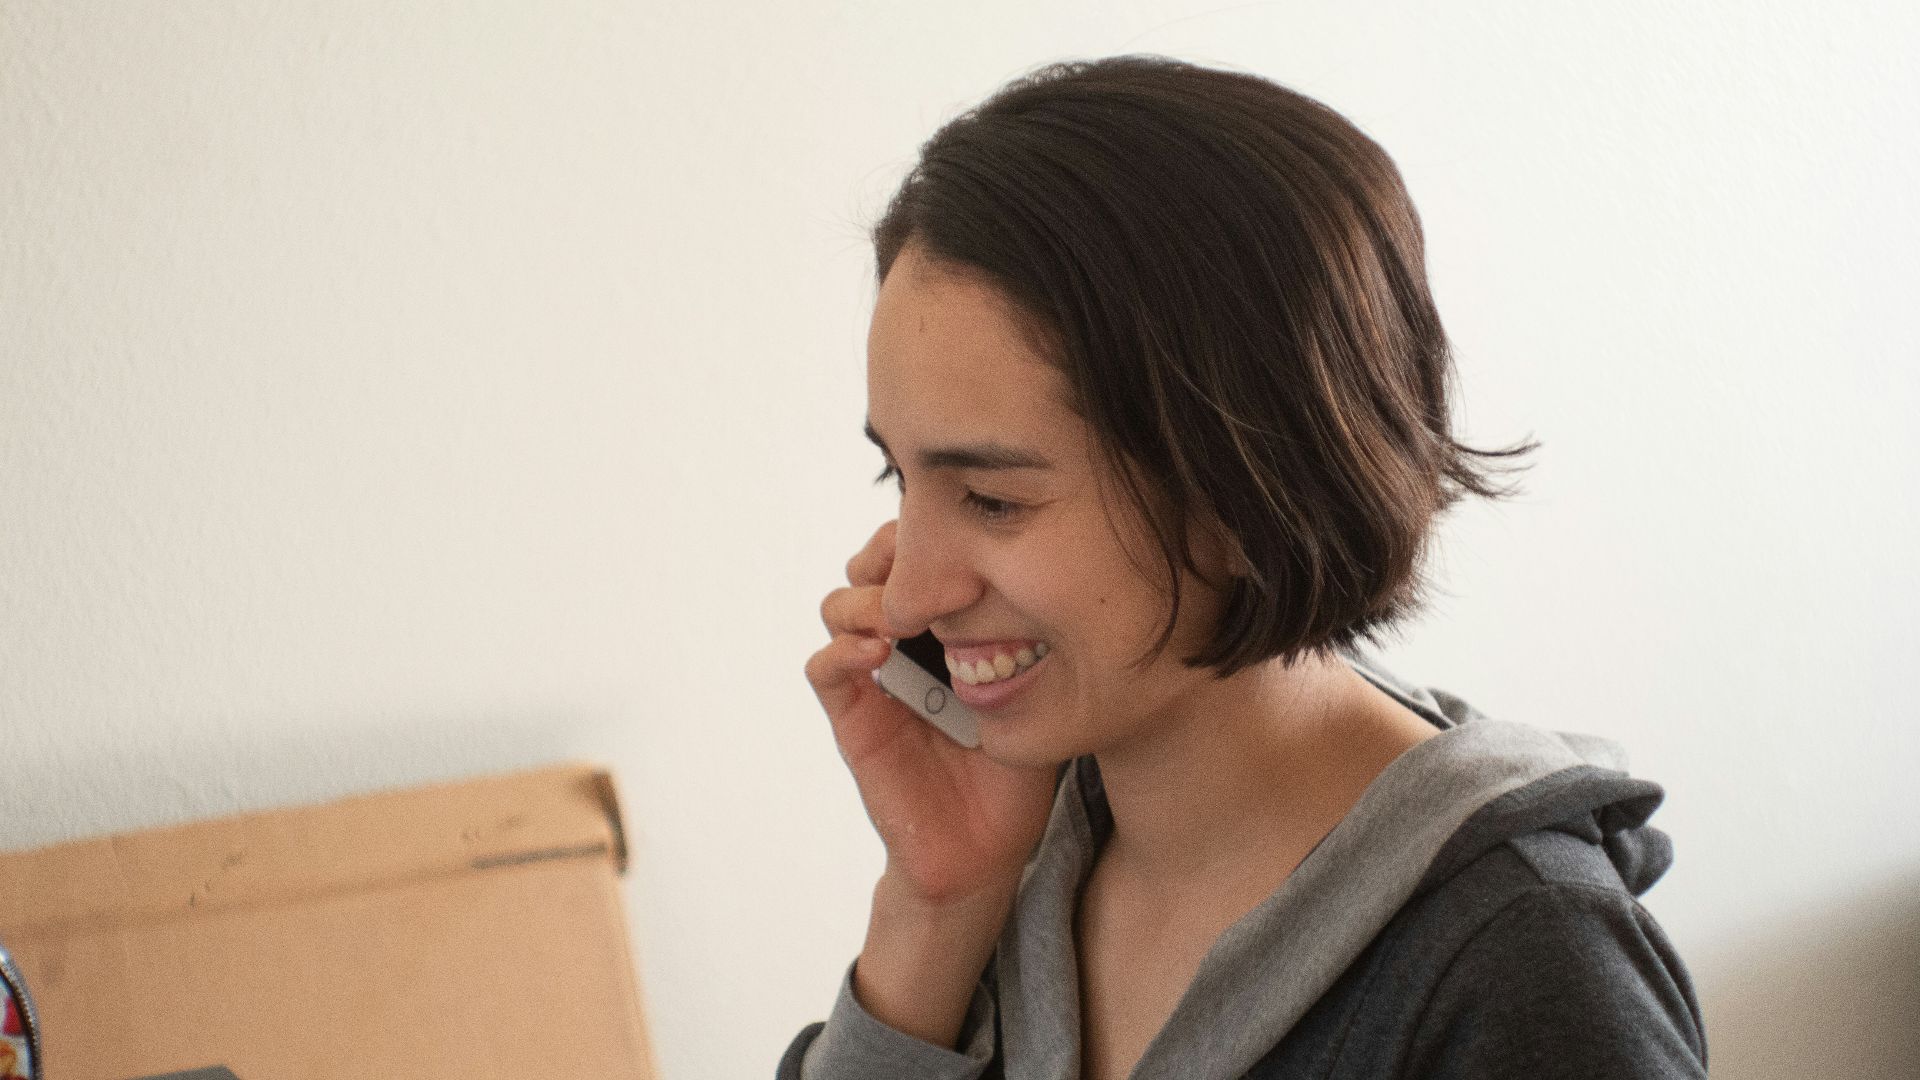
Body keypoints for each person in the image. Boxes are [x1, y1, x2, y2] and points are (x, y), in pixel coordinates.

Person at [782, 55, 1707, 1080]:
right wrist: (937, 905)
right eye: (898, 477)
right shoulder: (1025, 861)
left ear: (1241, 485)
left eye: (993, 500)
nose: (907, 592)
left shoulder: (1523, 966)